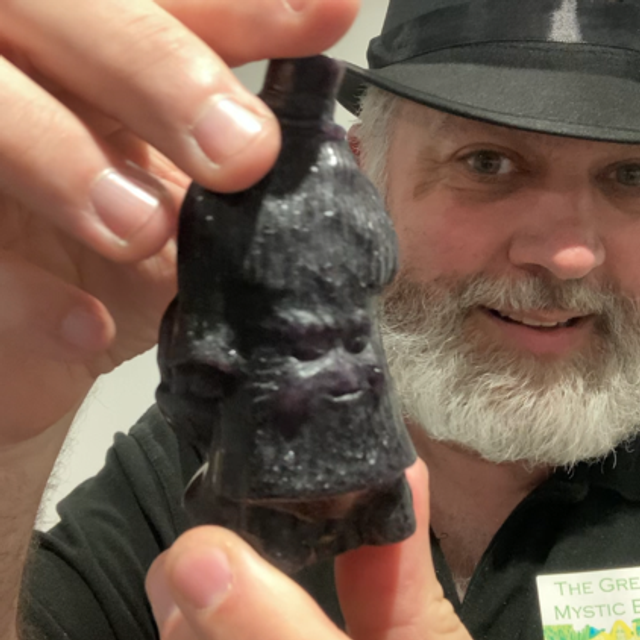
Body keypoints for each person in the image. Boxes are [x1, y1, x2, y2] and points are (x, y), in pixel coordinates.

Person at [6, 0, 640, 639]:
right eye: (487, 162)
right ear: (363, 175)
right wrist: (12, 443)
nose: (567, 255)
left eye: (631, 174)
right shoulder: (215, 454)